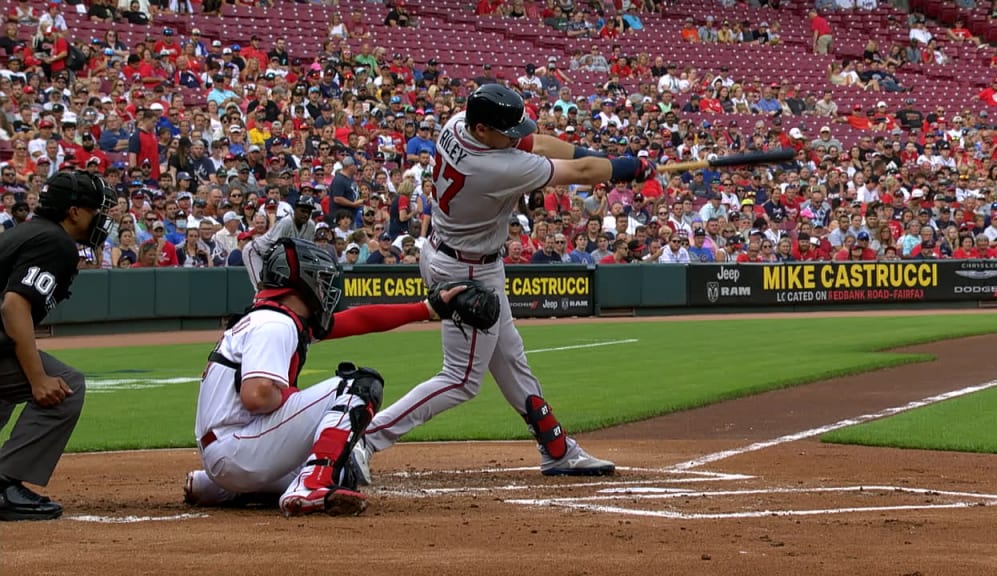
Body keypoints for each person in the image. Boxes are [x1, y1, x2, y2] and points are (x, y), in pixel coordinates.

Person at [352, 84, 658, 483]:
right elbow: (580, 173)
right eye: (506, 132)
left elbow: (541, 142)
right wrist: (627, 169)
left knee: (511, 359)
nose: (515, 138)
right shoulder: (498, 167)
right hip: (467, 272)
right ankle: (363, 438)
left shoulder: (456, 124)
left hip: (453, 255)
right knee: (460, 379)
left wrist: (607, 160)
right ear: (482, 129)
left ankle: (557, 449)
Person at [183, 238, 470, 515]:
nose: (323, 289)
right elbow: (256, 396)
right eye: (318, 280)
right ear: (300, 284)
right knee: (358, 387)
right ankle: (309, 486)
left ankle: (217, 488)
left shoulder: (273, 318)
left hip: (231, 453)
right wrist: (300, 401)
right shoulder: (274, 324)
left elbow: (359, 320)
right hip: (238, 450)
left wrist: (427, 309)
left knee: (342, 473)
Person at [0, 170, 116, 521]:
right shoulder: (55, 242)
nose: (102, 218)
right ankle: (4, 484)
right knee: (65, 385)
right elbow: (13, 305)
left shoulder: (25, 233)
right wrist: (37, 379)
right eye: (97, 210)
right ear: (75, 211)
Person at [242, 195, 318, 290]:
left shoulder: (310, 225)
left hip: (272, 257)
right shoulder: (286, 223)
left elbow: (306, 250)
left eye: (309, 212)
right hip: (256, 252)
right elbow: (274, 248)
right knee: (262, 288)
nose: (306, 215)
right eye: (303, 211)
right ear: (295, 210)